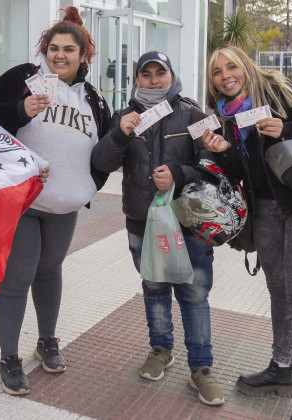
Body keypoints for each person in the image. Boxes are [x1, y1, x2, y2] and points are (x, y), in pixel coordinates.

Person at [201, 45, 292, 420]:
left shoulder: (280, 93)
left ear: (246, 66)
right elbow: (247, 169)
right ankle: (282, 366)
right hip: (265, 210)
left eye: (232, 66)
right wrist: (224, 151)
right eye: (217, 72)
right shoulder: (224, 117)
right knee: (277, 287)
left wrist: (289, 128)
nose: (226, 75)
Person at [0, 6, 110, 396]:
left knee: (50, 271)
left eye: (69, 49)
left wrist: (89, 185)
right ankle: (8, 357)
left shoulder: (94, 97)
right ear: (44, 49)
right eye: (53, 48)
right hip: (22, 202)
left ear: (84, 55)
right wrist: (21, 111)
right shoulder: (23, 78)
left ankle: (47, 340)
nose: (60, 56)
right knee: (17, 278)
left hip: (63, 206)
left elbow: (103, 150)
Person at [91, 51, 224, 406]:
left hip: (188, 222)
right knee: (154, 287)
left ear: (171, 75)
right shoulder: (125, 116)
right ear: (136, 79)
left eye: (159, 73)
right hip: (141, 222)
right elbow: (101, 161)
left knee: (194, 295)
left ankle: (202, 368)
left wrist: (179, 175)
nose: (153, 80)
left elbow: (213, 163)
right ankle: (161, 349)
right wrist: (120, 134)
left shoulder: (193, 114)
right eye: (145, 74)